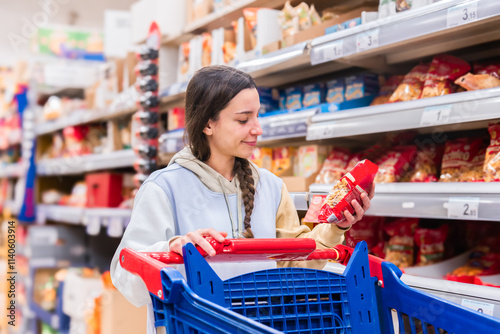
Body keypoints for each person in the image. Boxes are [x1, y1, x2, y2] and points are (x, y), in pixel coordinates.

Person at [110, 65, 374, 333]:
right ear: (207, 123)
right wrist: (172, 248)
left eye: (258, 116)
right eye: (243, 119)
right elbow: (125, 278)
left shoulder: (270, 186)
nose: (257, 129)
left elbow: (293, 262)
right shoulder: (163, 188)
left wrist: (336, 225)